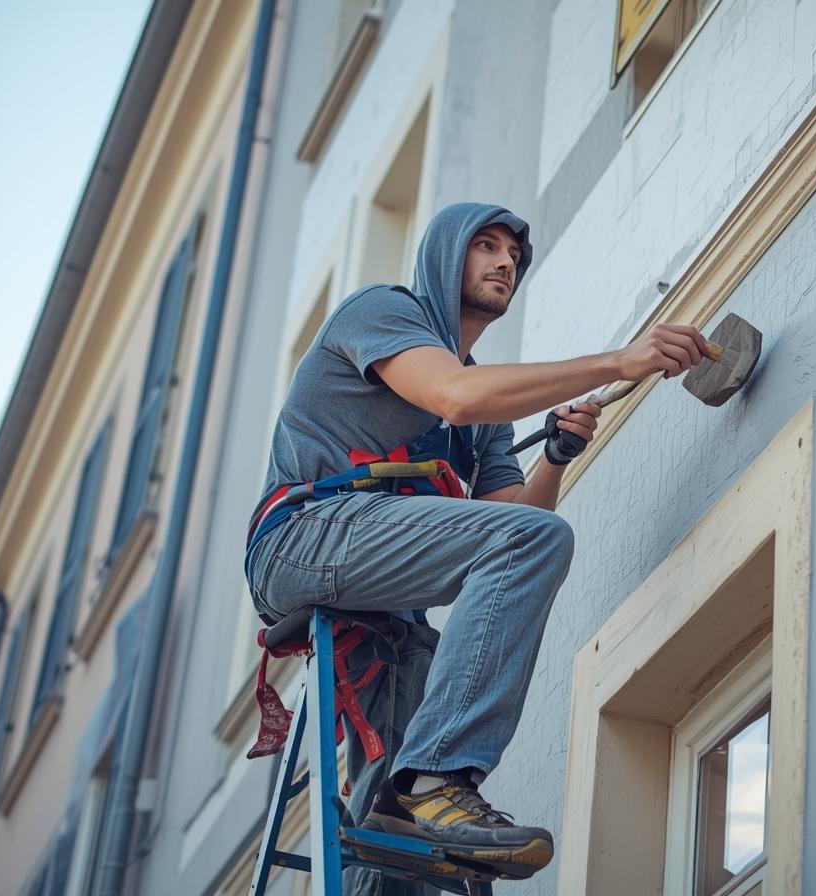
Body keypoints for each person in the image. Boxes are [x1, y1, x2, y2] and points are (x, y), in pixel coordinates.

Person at [243, 202, 709, 884]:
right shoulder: (382, 314)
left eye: (514, 256)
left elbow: (515, 522)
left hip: (384, 610)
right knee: (428, 783)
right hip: (302, 538)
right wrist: (618, 359)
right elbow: (456, 396)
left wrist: (555, 456)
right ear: (443, 255)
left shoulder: (486, 420)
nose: (504, 263)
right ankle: (439, 776)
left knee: (398, 838)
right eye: (485, 246)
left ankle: (420, 793)